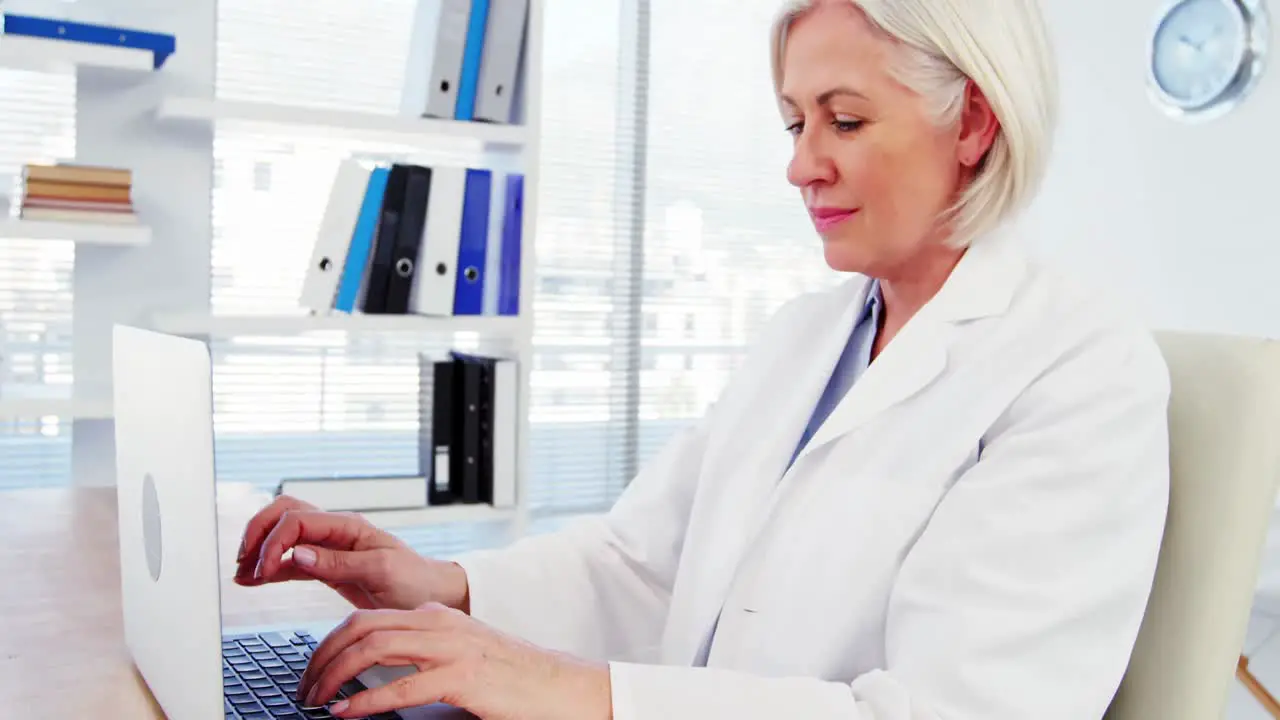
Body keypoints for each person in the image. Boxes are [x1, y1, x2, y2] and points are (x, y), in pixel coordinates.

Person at [236, 0, 1172, 717]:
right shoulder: (804, 338)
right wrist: (440, 586)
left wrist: (578, 692)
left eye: (844, 121)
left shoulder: (1079, 372)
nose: (803, 166)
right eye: (795, 123)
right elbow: (639, 568)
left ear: (971, 124)